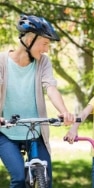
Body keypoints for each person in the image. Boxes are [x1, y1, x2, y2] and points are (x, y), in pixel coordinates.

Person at [0, 14, 75, 188]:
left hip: (35, 132)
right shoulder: (2, 61)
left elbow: (50, 87)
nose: (47, 49)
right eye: (45, 43)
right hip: (6, 132)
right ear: (30, 39)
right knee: (19, 178)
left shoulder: (43, 62)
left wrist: (64, 111)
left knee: (45, 180)